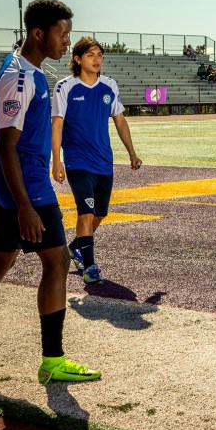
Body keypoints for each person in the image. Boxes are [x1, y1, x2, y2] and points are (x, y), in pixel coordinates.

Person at [0, 0, 101, 384]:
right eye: (63, 35)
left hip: (15, 188)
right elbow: (5, 145)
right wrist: (25, 206)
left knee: (0, 262)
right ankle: (53, 361)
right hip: (25, 189)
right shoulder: (20, 77)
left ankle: (50, 359)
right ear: (38, 33)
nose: (67, 43)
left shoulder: (30, 72)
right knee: (58, 262)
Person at [52, 36, 142, 285]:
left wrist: (132, 153)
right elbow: (57, 124)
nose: (97, 59)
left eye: (100, 55)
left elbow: (120, 120)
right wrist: (56, 161)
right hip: (77, 161)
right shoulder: (65, 87)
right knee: (85, 212)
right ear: (78, 59)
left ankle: (74, 247)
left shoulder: (109, 85)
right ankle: (90, 267)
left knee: (99, 214)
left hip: (104, 161)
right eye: (91, 55)